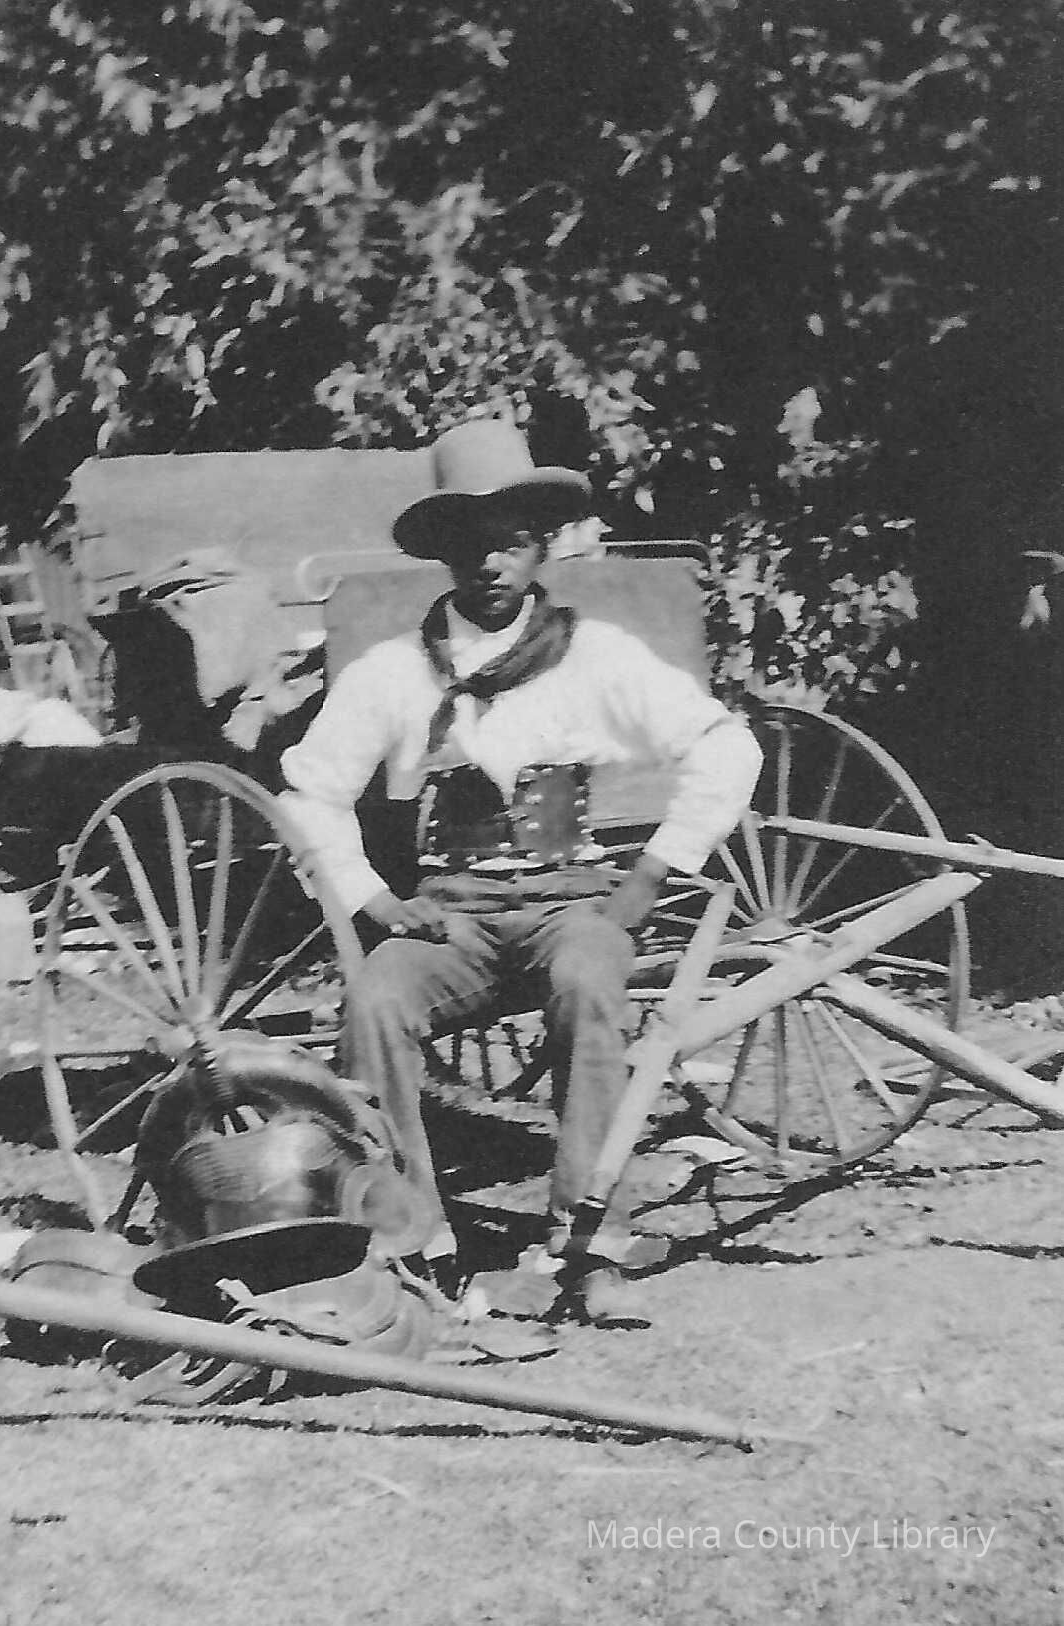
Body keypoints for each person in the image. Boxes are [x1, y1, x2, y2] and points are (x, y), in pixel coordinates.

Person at [280, 418, 762, 1320]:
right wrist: (372, 899)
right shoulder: (393, 672)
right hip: (450, 915)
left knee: (589, 981)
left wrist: (651, 876)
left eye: (510, 543)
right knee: (376, 998)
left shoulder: (595, 654)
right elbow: (310, 790)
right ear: (444, 557)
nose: (491, 565)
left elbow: (725, 746)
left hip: (571, 902)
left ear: (542, 548)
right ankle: (406, 1241)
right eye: (471, 547)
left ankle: (590, 1244)